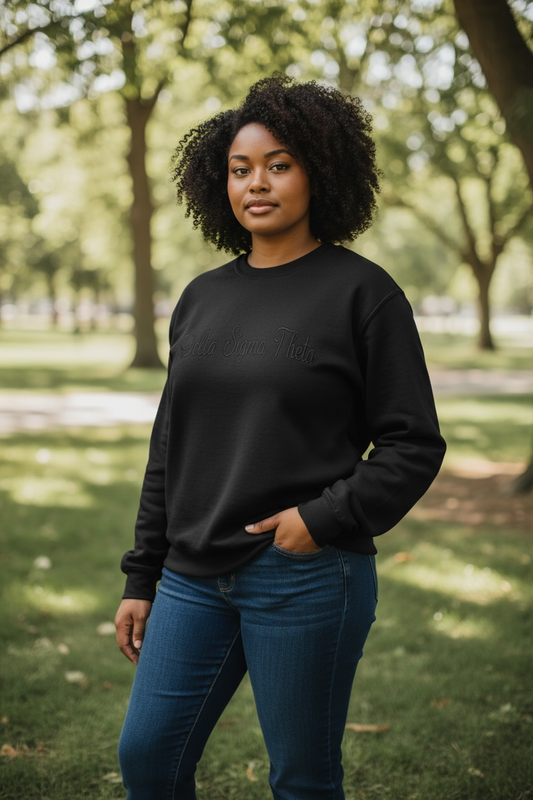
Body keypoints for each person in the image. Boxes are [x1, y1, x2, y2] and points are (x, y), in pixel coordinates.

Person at [115, 74, 446, 800]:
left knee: (301, 781)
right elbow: (170, 446)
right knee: (147, 758)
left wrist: (320, 519)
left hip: (305, 574)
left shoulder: (364, 294)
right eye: (240, 169)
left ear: (318, 172)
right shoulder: (200, 298)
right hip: (192, 576)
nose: (256, 183)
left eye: (279, 164)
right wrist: (143, 576)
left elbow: (413, 443)